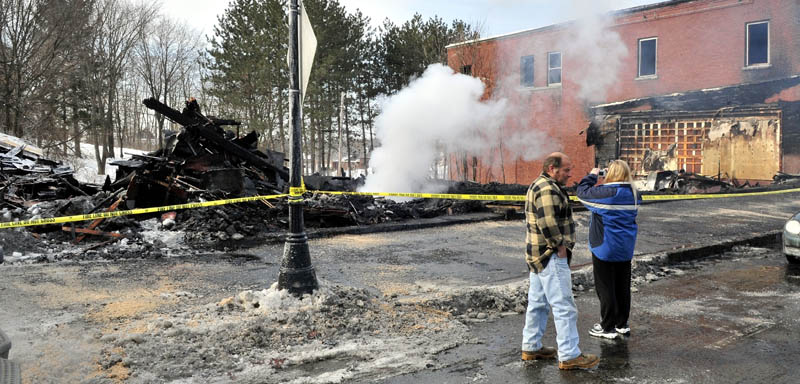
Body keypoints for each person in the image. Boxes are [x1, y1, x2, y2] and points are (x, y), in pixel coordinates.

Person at [522, 152, 600, 370]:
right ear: (552, 169)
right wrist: (560, 247)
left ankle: (531, 346)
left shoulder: (538, 184)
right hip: (550, 255)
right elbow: (547, 222)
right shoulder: (547, 189)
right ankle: (569, 355)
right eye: (566, 170)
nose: (569, 174)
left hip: (536, 255)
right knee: (564, 305)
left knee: (537, 303)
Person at [576, 160, 641, 340]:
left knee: (605, 287)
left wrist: (592, 175)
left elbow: (581, 193)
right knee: (622, 286)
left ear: (610, 173)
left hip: (604, 246)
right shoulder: (635, 194)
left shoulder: (606, 193)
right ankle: (621, 323)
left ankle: (607, 327)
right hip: (625, 247)